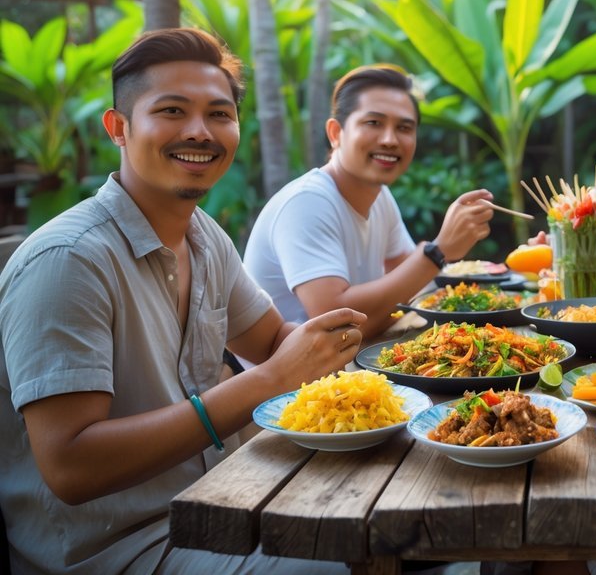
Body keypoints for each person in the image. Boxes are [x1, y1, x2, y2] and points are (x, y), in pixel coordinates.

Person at [0, 28, 363, 574]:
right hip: (123, 547)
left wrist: (369, 371)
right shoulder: (68, 260)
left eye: (219, 114)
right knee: (346, 560)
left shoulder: (203, 235)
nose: (200, 131)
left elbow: (270, 340)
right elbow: (70, 466)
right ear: (118, 128)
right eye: (172, 110)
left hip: (221, 499)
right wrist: (268, 381)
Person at [242, 64, 494, 341]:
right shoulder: (307, 202)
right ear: (336, 133)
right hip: (293, 381)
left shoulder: (380, 197)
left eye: (404, 128)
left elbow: (413, 283)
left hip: (353, 363)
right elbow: (330, 315)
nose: (389, 139)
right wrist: (437, 252)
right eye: (373, 123)